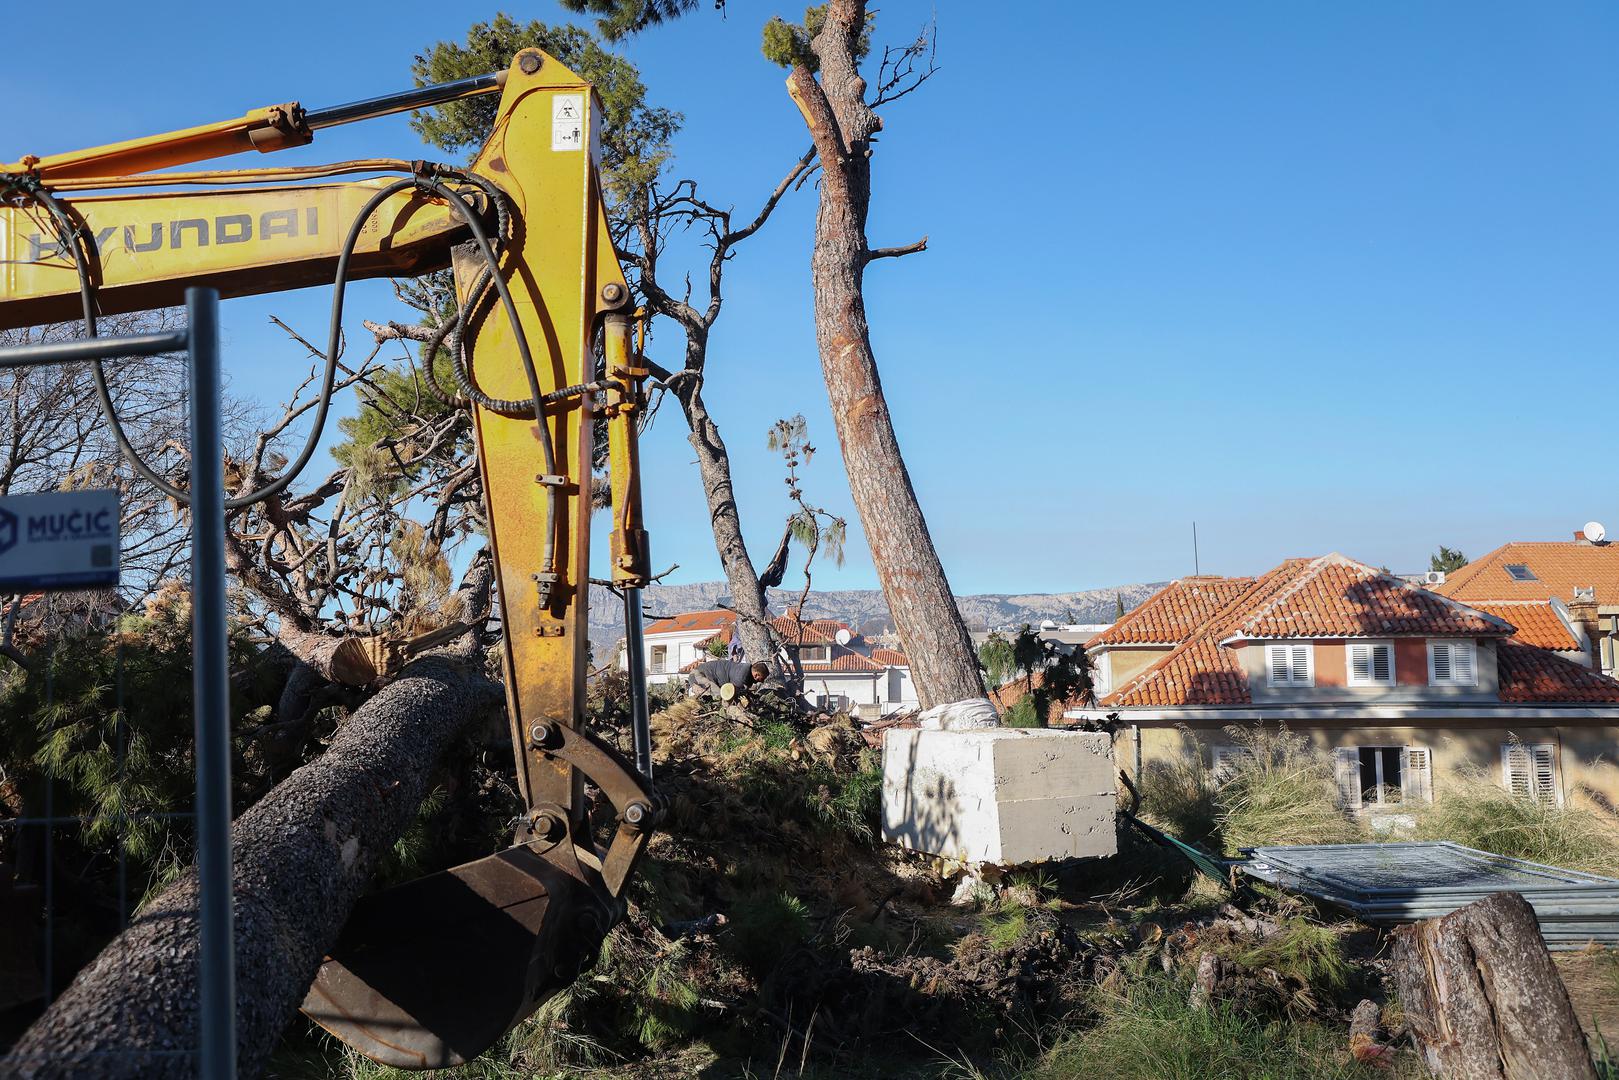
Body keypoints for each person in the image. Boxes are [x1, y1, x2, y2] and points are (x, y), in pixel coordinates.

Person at [688, 659, 771, 699]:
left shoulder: (744, 669)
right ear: (756, 675)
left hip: (703, 673)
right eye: (762, 678)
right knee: (719, 697)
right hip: (697, 675)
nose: (762, 681)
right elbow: (730, 695)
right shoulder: (741, 677)